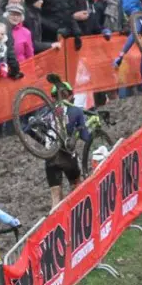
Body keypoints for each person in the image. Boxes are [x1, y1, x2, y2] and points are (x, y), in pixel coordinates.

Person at [40, 76, 92, 207]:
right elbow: (86, 137)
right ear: (70, 95)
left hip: (50, 156)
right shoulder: (76, 110)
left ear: (52, 98)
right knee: (76, 186)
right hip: (68, 156)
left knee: (55, 198)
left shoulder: (46, 113)